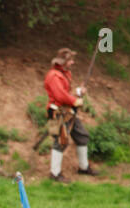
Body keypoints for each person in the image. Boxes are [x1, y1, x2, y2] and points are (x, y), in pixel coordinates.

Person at [44, 47, 96, 181]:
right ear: (63, 62)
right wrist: (75, 100)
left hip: (68, 111)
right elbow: (60, 96)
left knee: (82, 136)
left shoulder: (65, 74)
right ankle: (55, 174)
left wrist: (78, 92)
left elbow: (66, 92)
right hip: (56, 112)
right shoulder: (53, 76)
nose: (72, 62)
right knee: (60, 141)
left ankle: (83, 168)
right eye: (70, 60)